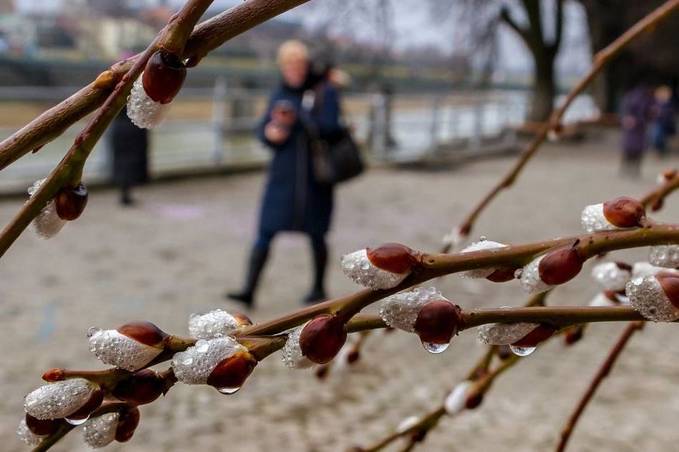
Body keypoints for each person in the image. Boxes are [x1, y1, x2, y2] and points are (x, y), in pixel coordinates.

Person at [227, 40, 342, 308]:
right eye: (289, 65)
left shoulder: (325, 91)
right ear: (282, 67)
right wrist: (270, 133)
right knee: (265, 232)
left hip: (316, 178)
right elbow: (262, 130)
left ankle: (318, 288)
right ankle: (248, 290)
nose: (294, 69)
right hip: (282, 177)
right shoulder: (279, 92)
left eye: (299, 64)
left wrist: (299, 117)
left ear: (307, 65)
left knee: (317, 234)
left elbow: (332, 129)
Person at [109, 106, 149, 206]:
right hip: (134, 129)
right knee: (130, 161)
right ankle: (126, 192)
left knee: (122, 161)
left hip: (119, 129)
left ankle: (124, 192)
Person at [620, 81, 654, 177]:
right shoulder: (637, 97)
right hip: (635, 127)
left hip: (639, 127)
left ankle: (632, 169)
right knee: (631, 148)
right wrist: (627, 118)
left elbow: (648, 112)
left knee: (634, 149)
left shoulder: (641, 97)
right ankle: (630, 169)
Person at [651, 85, 676, 156]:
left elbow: (670, 115)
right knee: (657, 137)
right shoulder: (656, 104)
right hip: (659, 123)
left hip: (666, 124)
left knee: (660, 137)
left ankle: (661, 150)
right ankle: (659, 150)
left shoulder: (669, 104)